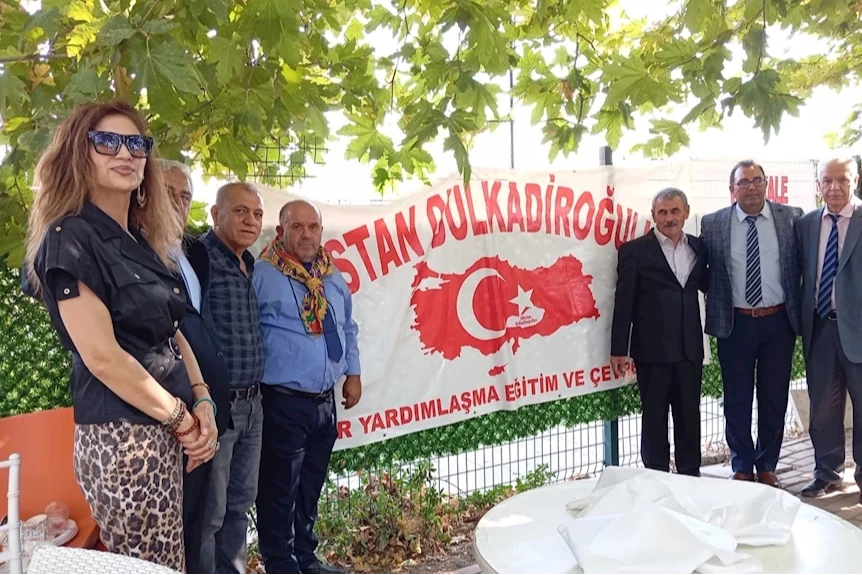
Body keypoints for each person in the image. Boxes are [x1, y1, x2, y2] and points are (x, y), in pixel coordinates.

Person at [23, 101, 218, 571]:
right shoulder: (70, 238)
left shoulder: (139, 239)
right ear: (79, 153)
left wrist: (203, 398)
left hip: (165, 431)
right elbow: (103, 358)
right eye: (107, 142)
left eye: (136, 143)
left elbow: (172, 331)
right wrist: (183, 420)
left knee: (171, 564)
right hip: (124, 443)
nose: (125, 153)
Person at [253, 200, 362, 575]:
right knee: (279, 489)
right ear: (280, 231)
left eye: (312, 227)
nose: (306, 234)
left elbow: (347, 327)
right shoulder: (263, 274)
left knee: (310, 485)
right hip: (282, 402)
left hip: (324, 403)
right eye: (296, 227)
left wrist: (353, 373)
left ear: (321, 231)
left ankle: (305, 557)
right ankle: (280, 563)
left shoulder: (331, 274)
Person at [700, 160, 803, 487]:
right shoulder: (713, 223)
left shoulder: (791, 218)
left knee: (774, 396)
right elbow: (705, 272)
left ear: (766, 184)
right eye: (743, 182)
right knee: (737, 398)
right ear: (732, 189)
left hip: (779, 322)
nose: (751, 187)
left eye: (757, 180)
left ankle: (767, 464)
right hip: (736, 323)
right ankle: (742, 464)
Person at [159, 159, 232, 573]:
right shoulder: (132, 248)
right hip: (165, 409)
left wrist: (205, 396)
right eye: (168, 192)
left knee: (202, 517)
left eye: (184, 195)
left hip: (204, 406)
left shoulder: (194, 252)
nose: (177, 203)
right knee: (176, 526)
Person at [611, 188, 707, 476]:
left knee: (689, 416)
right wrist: (618, 349)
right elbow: (624, 302)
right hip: (652, 351)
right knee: (654, 418)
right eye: (662, 212)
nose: (669, 218)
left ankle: (690, 474)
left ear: (686, 212)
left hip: (689, 348)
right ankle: (655, 476)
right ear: (653, 215)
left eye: (675, 211)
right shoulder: (634, 251)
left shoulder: (698, 248)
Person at [198, 182, 266, 574]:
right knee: (210, 514)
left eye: (257, 214)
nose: (250, 221)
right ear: (216, 214)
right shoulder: (200, 259)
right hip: (218, 408)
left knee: (240, 505)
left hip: (253, 406)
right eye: (240, 211)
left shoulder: (250, 264)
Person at [796, 155, 862, 499]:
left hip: (859, 331)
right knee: (822, 408)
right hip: (820, 327)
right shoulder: (806, 224)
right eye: (827, 180)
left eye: (843, 179)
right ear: (818, 183)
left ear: (856, 180)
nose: (834, 187)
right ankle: (827, 472)